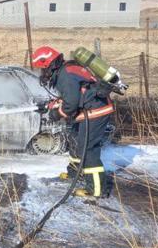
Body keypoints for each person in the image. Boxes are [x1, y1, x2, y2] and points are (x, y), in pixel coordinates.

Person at [32, 46, 115, 199]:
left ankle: (97, 189)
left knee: (88, 148)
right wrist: (51, 105)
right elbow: (73, 95)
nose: (42, 73)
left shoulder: (65, 75)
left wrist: (56, 113)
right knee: (75, 139)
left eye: (42, 69)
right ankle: (76, 173)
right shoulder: (66, 70)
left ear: (48, 65)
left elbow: (70, 104)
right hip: (87, 110)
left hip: (96, 111)